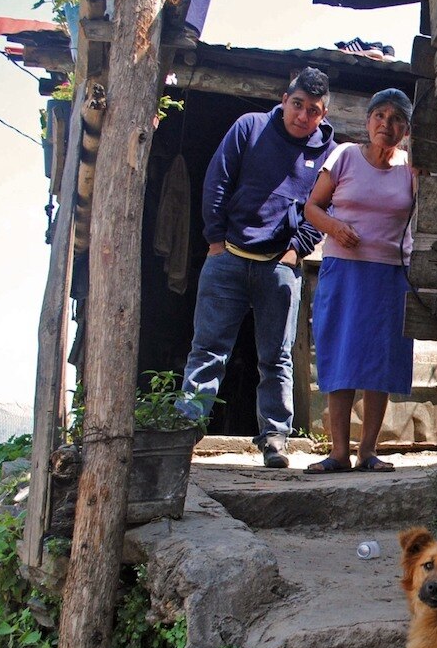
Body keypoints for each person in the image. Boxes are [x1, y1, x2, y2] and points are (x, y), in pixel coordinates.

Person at [176, 67, 335, 468]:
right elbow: (217, 182)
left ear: (323, 113)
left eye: (313, 111)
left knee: (276, 357)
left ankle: (275, 439)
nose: (303, 116)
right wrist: (215, 241)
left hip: (278, 266)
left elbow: (326, 208)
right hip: (227, 257)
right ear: (285, 100)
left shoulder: (326, 155)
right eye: (297, 105)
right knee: (208, 349)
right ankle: (183, 434)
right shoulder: (249, 127)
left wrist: (298, 248)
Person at [301, 88, 416, 473]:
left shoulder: (410, 168)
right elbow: (312, 207)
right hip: (344, 270)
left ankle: (368, 451)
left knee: (380, 361)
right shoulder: (345, 155)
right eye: (380, 115)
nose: (387, 124)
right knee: (342, 356)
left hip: (390, 274)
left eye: (397, 118)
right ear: (368, 121)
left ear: (406, 129)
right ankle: (338, 453)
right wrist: (335, 226)